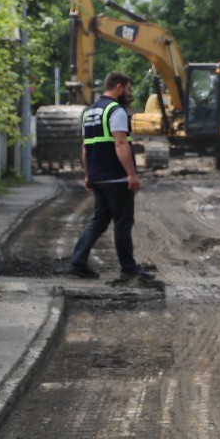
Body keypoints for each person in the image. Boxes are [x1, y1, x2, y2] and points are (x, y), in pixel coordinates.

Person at [67, 72, 155, 284]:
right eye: (128, 88)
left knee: (98, 221)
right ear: (119, 86)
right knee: (123, 224)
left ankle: (77, 262)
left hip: (98, 177)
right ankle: (128, 270)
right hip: (116, 178)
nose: (129, 93)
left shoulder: (89, 112)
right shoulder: (115, 111)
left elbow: (86, 148)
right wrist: (131, 174)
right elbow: (120, 144)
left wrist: (88, 175)